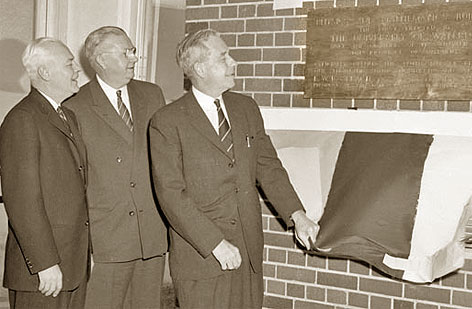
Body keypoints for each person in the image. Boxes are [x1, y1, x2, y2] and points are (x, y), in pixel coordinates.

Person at [149, 28, 320, 309]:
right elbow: (170, 194)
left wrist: (297, 215)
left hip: (248, 251)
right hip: (202, 256)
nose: (233, 62)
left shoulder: (246, 108)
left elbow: (268, 167)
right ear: (201, 68)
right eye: (224, 57)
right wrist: (215, 243)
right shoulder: (167, 121)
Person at [63, 26, 167, 309]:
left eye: (133, 51)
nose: (134, 58)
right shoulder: (75, 105)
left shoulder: (152, 94)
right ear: (100, 60)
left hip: (151, 235)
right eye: (126, 53)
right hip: (106, 238)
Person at [0, 38, 89, 308]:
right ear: (45, 73)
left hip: (71, 265)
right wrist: (45, 262)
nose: (76, 71)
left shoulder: (66, 116)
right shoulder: (22, 119)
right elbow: (22, 201)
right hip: (44, 273)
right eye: (69, 64)